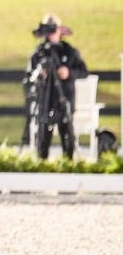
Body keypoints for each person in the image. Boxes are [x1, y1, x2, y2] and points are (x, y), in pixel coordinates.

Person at [24, 13, 88, 159]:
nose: (50, 35)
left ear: (60, 31)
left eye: (53, 30)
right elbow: (29, 76)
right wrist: (39, 74)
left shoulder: (69, 51)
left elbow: (84, 71)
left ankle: (68, 161)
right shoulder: (38, 53)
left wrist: (68, 72)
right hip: (45, 100)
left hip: (64, 98)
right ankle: (42, 161)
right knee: (43, 133)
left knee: (66, 131)